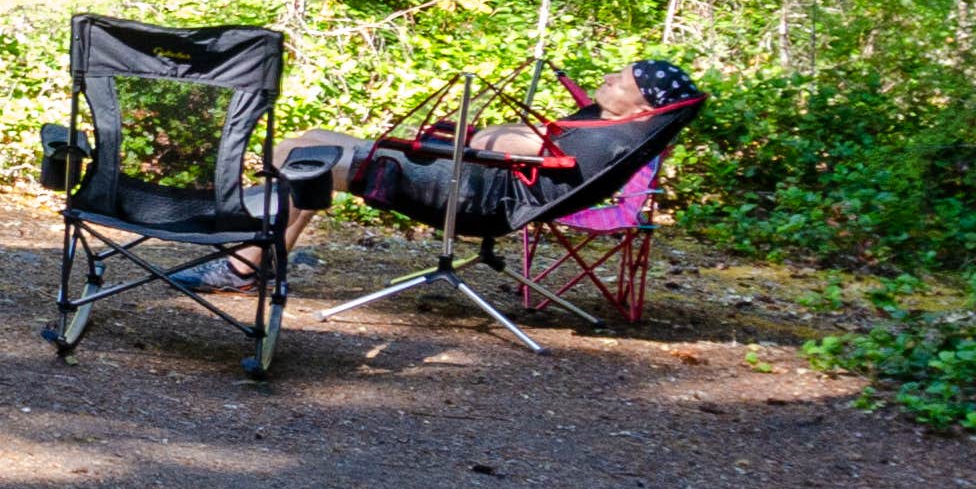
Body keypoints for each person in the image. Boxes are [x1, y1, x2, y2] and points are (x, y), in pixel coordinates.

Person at [174, 59, 702, 287]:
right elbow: (501, 140)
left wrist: (495, 135)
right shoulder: (610, 129)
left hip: (470, 196)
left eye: (621, 81)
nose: (607, 79)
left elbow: (489, 139)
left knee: (298, 156)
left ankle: (246, 265)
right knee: (305, 145)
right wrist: (496, 136)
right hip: (470, 178)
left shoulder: (604, 140)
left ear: (640, 105)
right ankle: (267, 256)